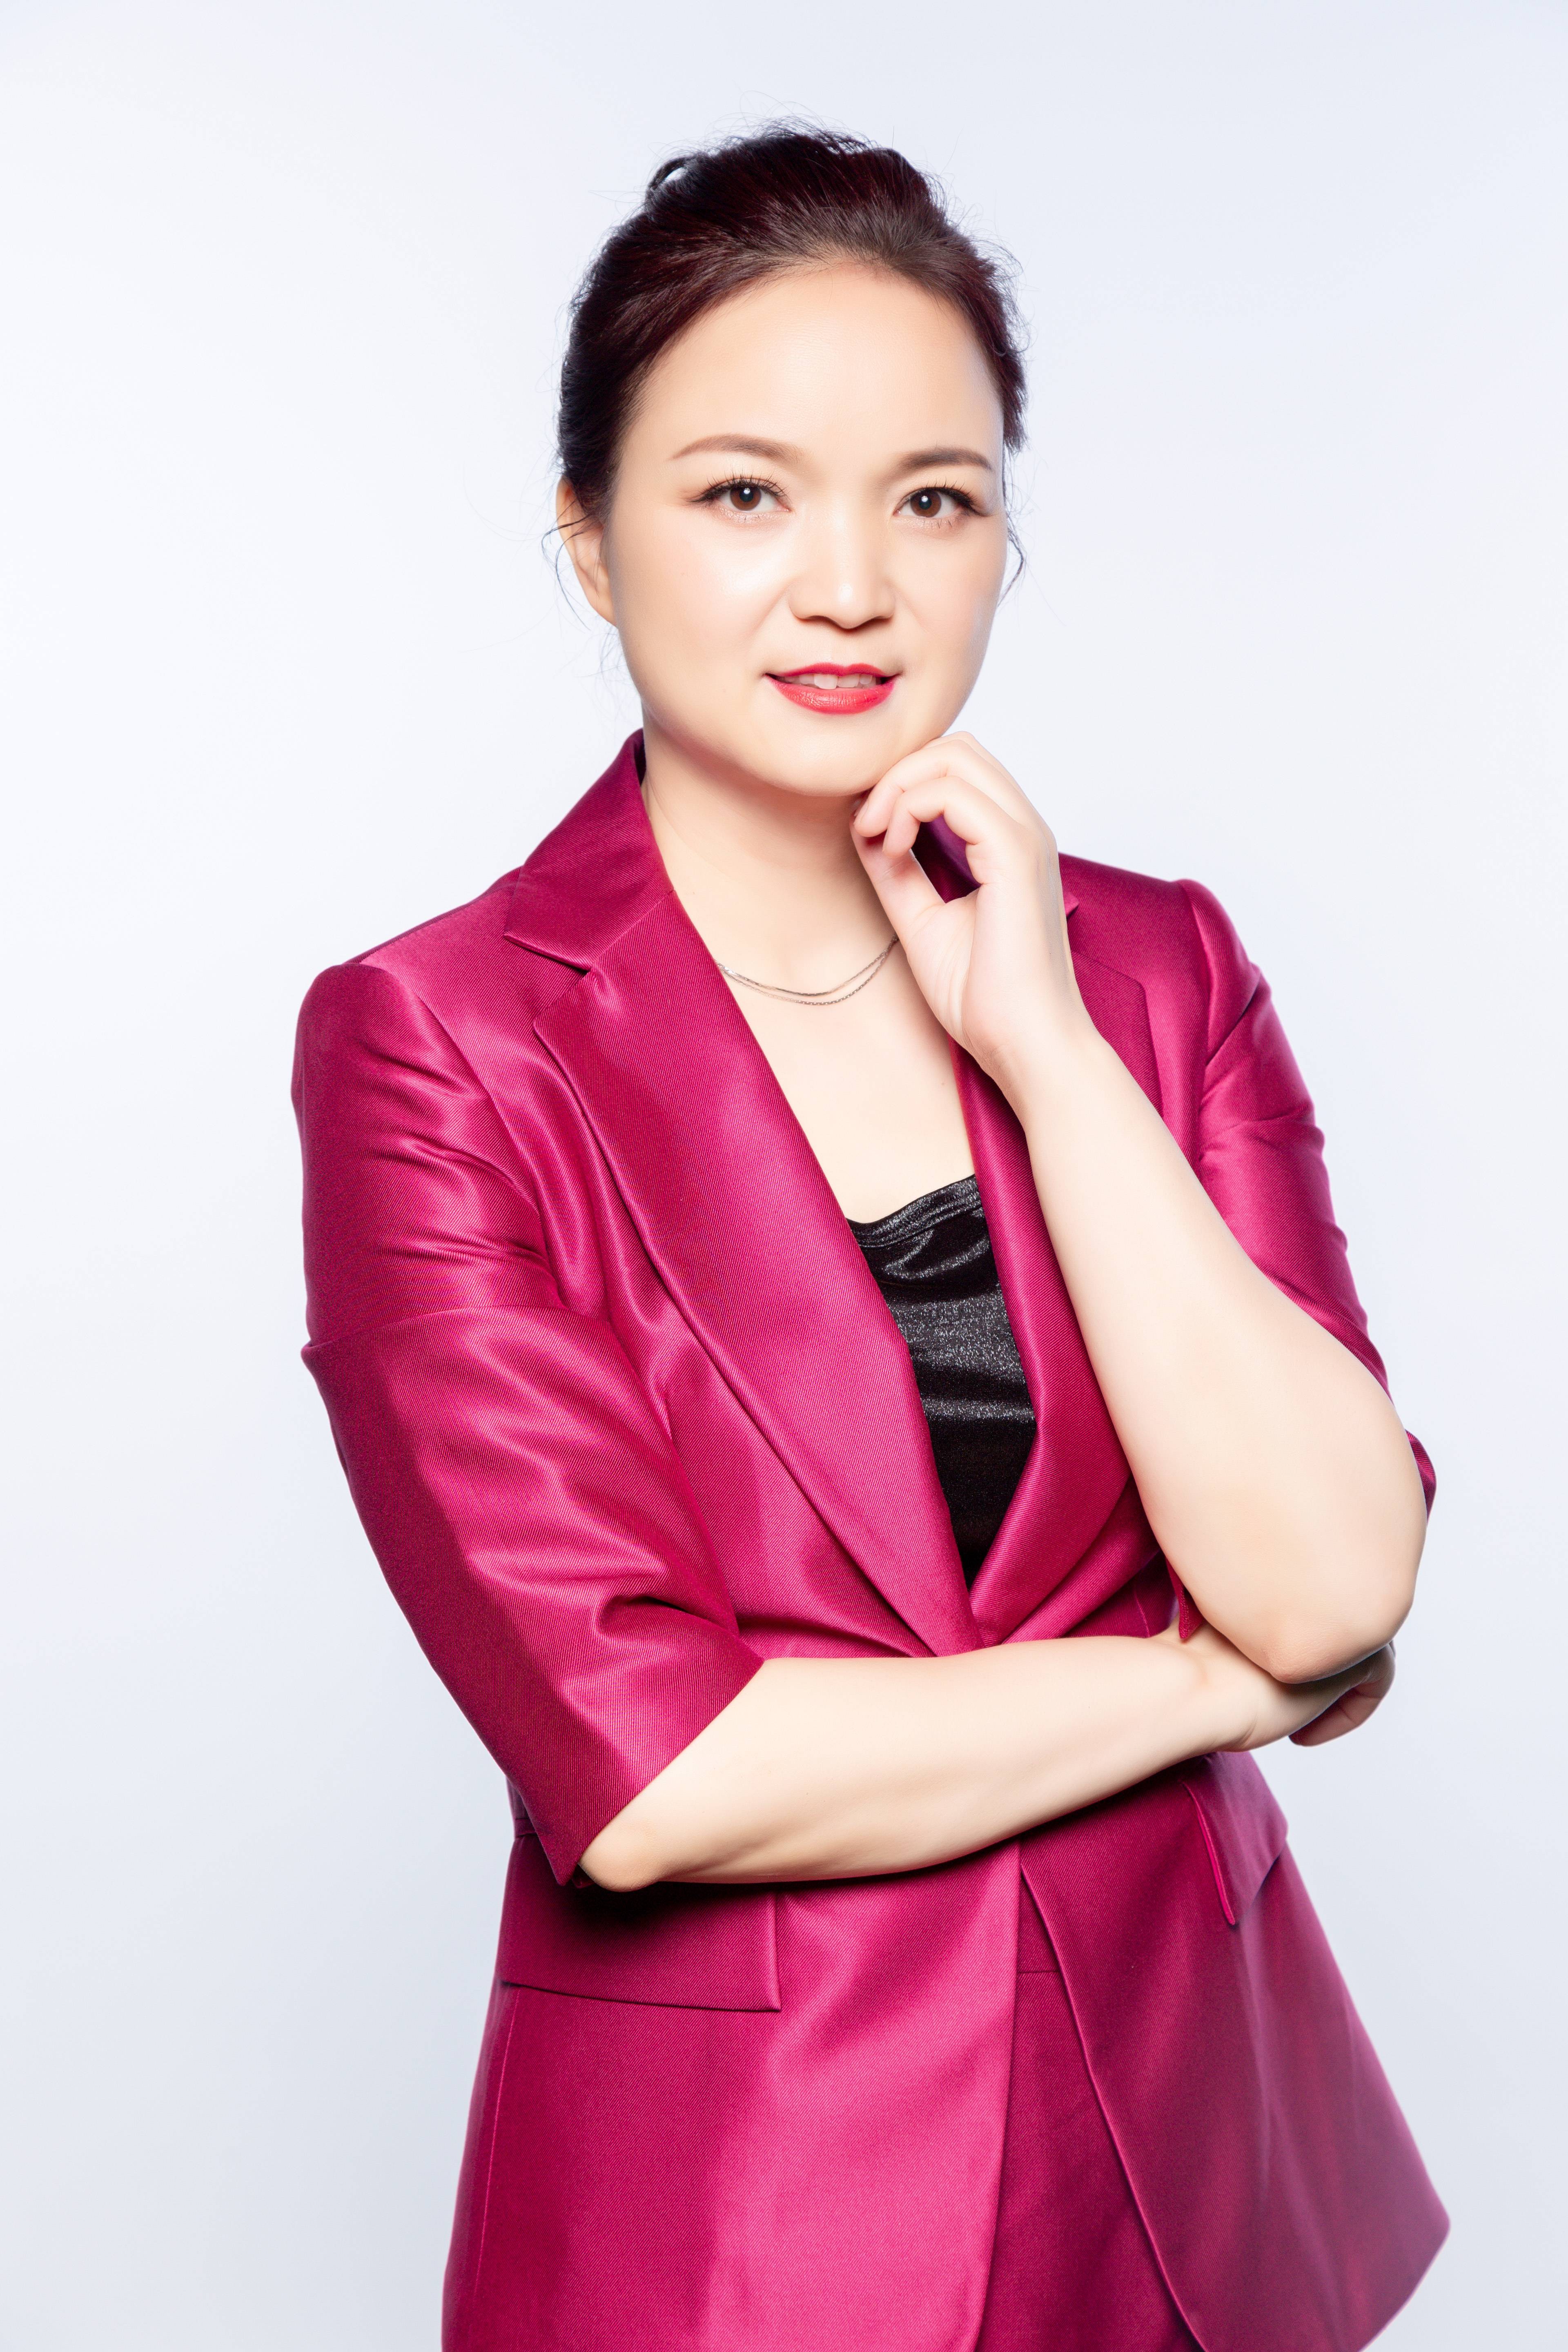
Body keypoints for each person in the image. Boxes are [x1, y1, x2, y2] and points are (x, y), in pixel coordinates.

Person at [293, 126, 1446, 2352]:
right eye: (747, 493)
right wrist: (1213, 1689)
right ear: (589, 540)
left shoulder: (1156, 970)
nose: (854, 587)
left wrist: (1046, 1049)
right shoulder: (435, 1046)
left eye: (935, 498)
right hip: (744, 2223)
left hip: (1190, 2187)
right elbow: (659, 1774)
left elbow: (1334, 1580)